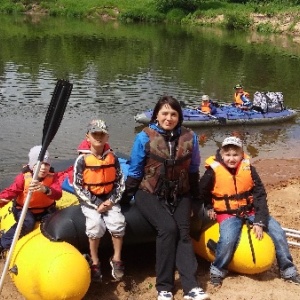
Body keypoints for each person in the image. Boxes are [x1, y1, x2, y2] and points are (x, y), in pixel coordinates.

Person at [122, 96, 210, 300]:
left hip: (180, 193)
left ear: (179, 116)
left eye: (173, 114)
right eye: (164, 113)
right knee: (168, 229)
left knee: (184, 233)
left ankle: (191, 288)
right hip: (149, 193)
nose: (169, 118)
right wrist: (125, 199)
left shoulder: (190, 137)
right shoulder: (144, 137)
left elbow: (194, 169)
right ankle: (164, 287)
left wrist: (197, 198)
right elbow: (135, 171)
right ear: (156, 115)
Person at [198, 136, 300, 287]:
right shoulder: (212, 172)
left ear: (242, 154)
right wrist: (208, 207)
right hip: (228, 213)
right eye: (228, 155)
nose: (231, 159)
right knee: (228, 239)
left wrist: (259, 220)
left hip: (250, 211)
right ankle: (217, 270)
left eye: (235, 155)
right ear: (221, 154)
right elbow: (202, 192)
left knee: (278, 231)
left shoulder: (249, 170)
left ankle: (288, 270)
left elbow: (260, 195)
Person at [73, 119, 126, 282]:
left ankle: (116, 259)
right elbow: (77, 186)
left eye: (102, 134)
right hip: (91, 200)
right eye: (95, 133)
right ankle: (95, 260)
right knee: (95, 225)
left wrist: (111, 201)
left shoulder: (113, 158)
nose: (98, 137)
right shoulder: (82, 160)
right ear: (87, 136)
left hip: (109, 198)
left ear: (107, 137)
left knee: (118, 222)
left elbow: (120, 182)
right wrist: (96, 203)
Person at [0, 145, 62, 255]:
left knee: (56, 222)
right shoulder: (23, 178)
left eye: (46, 164)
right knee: (28, 223)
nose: (43, 167)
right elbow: (11, 192)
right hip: (24, 209)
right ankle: (3, 243)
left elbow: (57, 195)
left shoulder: (53, 178)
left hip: (46, 210)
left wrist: (45, 189)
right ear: (32, 166)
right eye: (39, 164)